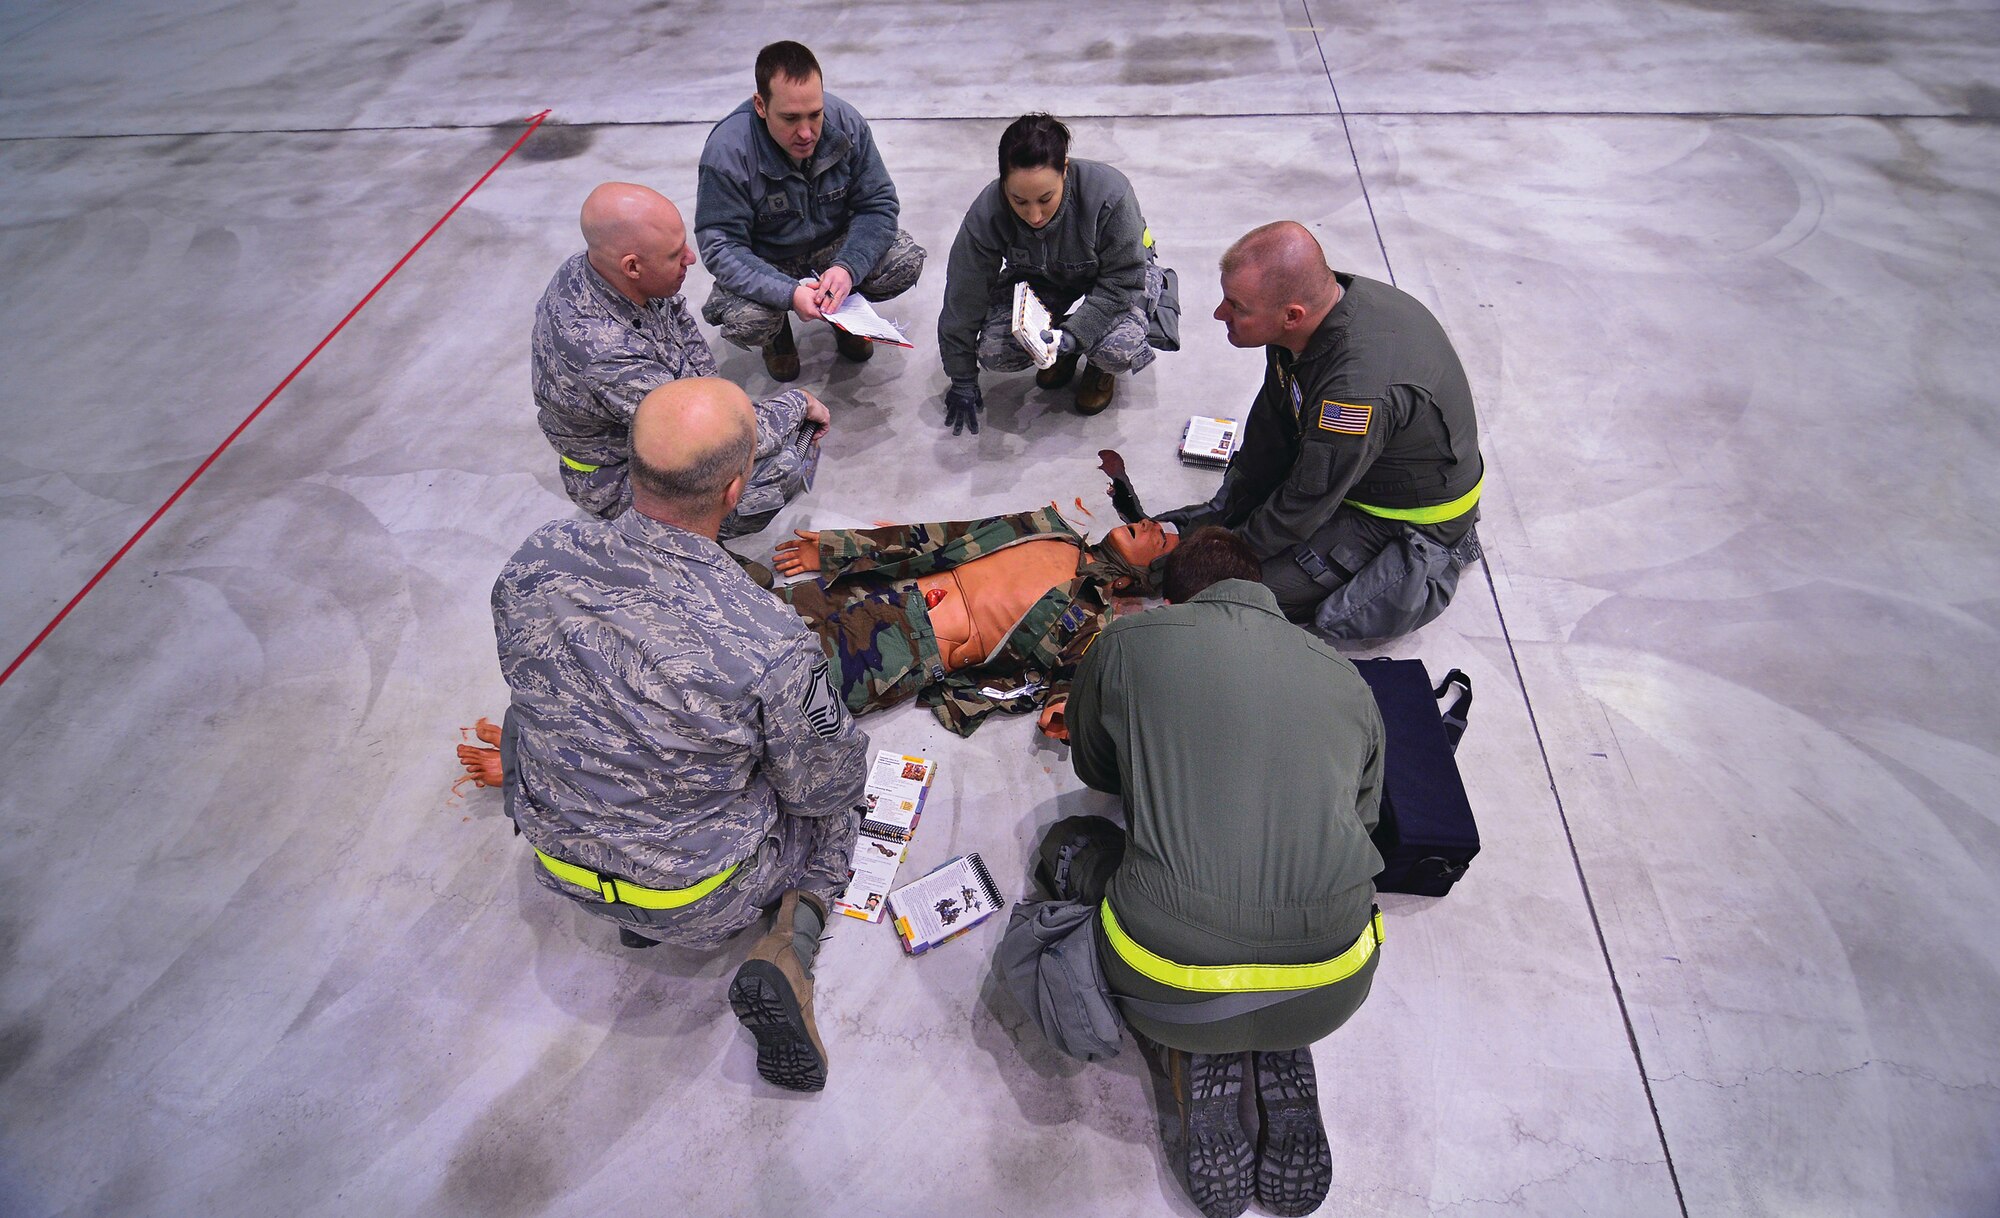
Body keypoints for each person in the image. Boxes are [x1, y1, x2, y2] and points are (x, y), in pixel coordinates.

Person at [457, 377, 869, 1093]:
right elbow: (823, 783)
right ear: (736, 491)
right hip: (700, 897)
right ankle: (790, 946)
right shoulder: (765, 637)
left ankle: (632, 904)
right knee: (837, 790)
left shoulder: (536, 558)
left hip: (560, 867)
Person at [1038, 526, 1386, 1218]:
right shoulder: (1346, 677)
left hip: (1168, 973)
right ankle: (1278, 1029)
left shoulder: (1127, 645)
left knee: (1068, 842)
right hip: (1337, 976)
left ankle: (1200, 1044)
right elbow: (1365, 816)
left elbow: (1096, 770)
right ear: (1261, 594)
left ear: (1172, 600)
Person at [1156, 221, 1483, 640]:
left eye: (1236, 307)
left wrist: (1227, 558)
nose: (1220, 313)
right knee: (1206, 535)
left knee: (1236, 597)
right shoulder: (1308, 317)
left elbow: (1307, 501)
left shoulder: (1353, 396)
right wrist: (1225, 515)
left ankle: (1445, 555)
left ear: (1292, 316)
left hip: (1400, 516)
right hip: (1356, 473)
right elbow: (1271, 428)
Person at [530, 182, 830, 557]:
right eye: (675, 254)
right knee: (777, 470)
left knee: (769, 433)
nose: (691, 259)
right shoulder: (604, 351)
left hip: (647, 435)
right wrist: (798, 404)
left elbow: (685, 339)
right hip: (617, 475)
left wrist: (724, 402)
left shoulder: (602, 271)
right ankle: (680, 554)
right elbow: (702, 433)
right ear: (632, 266)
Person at [768, 510, 1176, 735]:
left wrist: (1062, 706)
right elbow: (943, 536)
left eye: (1159, 539)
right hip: (880, 586)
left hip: (906, 644)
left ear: (1134, 579)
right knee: (737, 625)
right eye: (1154, 523)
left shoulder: (1094, 616)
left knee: (774, 694)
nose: (1152, 524)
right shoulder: (1049, 528)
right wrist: (839, 549)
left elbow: (1074, 673)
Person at [696, 41, 926, 382]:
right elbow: (721, 245)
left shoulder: (846, 123)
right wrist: (788, 293)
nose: (806, 133)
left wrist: (848, 268)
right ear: (761, 105)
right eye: (790, 118)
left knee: (904, 261)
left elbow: (878, 205)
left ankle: (844, 314)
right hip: (769, 260)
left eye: (814, 114)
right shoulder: (728, 152)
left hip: (833, 246)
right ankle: (778, 338)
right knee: (747, 319)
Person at [937, 113, 1179, 432]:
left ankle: (1095, 367)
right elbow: (963, 297)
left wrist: (1075, 335)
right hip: (1043, 276)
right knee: (996, 351)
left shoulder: (1109, 193)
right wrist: (962, 378)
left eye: (1045, 198)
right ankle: (1057, 346)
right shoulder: (988, 211)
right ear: (1003, 182)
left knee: (1116, 348)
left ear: (1065, 169)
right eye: (1019, 200)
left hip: (1115, 279)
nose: (1034, 215)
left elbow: (1122, 283)